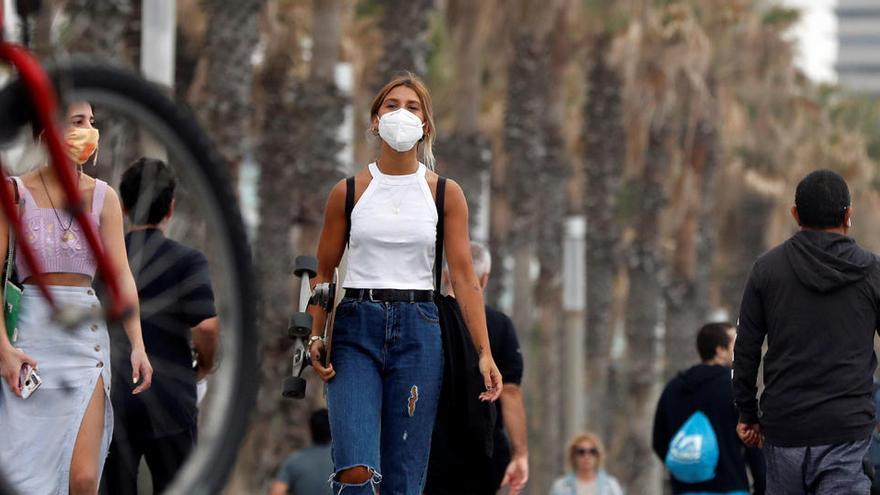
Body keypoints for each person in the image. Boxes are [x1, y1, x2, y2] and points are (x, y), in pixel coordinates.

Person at [308, 72, 503, 495]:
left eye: (412, 107)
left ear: (426, 125)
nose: (401, 113)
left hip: (419, 331)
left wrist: (484, 353)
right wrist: (314, 334)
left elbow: (467, 280)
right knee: (355, 469)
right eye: (392, 105)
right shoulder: (349, 191)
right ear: (375, 120)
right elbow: (323, 273)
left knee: (403, 478)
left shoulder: (444, 194)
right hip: (356, 327)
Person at [0, 102, 153, 494]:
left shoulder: (105, 198)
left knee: (83, 479)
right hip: (30, 338)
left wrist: (138, 343)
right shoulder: (14, 193)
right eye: (77, 122)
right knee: (26, 477)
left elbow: (121, 276)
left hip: (85, 338)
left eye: (92, 122)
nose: (89, 130)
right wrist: (4, 349)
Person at [734, 169, 880, 493]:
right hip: (847, 428)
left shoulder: (767, 270)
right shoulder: (872, 272)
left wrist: (746, 411)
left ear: (796, 214)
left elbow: (746, 347)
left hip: (786, 428)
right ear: (848, 216)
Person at [101, 158, 219, 493]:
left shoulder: (105, 260)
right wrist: (204, 367)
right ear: (171, 207)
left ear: (122, 207)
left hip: (113, 394)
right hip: (172, 396)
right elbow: (207, 327)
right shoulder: (187, 260)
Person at [425, 241, 528, 495]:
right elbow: (510, 393)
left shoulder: (426, 318)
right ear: (485, 278)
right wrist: (520, 454)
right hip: (482, 448)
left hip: (429, 445)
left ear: (447, 274)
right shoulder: (500, 326)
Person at [653, 322, 765, 495]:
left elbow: (659, 440)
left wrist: (686, 467)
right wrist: (762, 486)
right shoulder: (736, 388)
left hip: (684, 489)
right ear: (720, 350)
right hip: (729, 487)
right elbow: (753, 439)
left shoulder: (674, 388)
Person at [270, 409, 333, 495]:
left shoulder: (295, 461)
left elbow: (276, 492)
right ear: (333, 430)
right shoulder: (342, 462)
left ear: (311, 430)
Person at [549, 433, 624, 495]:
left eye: (592, 451)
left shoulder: (611, 486)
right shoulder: (560, 487)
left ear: (598, 456)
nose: (587, 456)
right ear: (573, 456)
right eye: (581, 452)